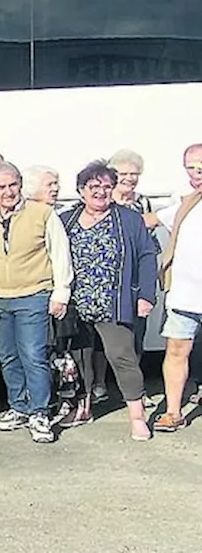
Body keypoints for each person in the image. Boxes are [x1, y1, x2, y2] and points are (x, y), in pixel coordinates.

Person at [57, 161, 157, 439]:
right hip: (76, 302)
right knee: (79, 359)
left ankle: (137, 416)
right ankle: (83, 408)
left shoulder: (128, 218)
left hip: (113, 301)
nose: (101, 192)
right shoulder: (65, 220)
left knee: (122, 356)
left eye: (106, 187)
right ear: (80, 190)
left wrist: (146, 294)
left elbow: (147, 256)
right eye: (94, 187)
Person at [0, 162, 72, 444]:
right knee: (8, 355)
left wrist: (61, 292)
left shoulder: (42, 214)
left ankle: (40, 412)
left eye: (12, 185)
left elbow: (59, 252)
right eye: (1, 187)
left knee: (33, 354)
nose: (8, 192)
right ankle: (18, 406)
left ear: (20, 184)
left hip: (35, 294)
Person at [145, 143, 202, 433]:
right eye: (191, 167)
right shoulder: (186, 203)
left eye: (201, 165)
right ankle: (173, 412)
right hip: (185, 296)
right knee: (177, 351)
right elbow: (148, 221)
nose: (197, 172)